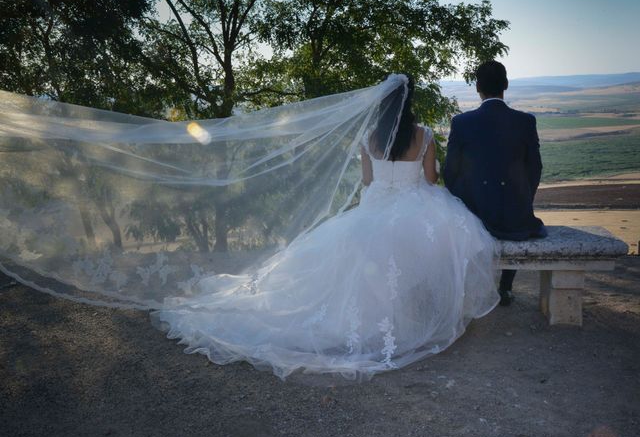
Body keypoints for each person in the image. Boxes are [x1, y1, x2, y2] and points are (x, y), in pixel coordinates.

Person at [150, 74, 500, 380]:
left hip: (375, 208)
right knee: (450, 236)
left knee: (361, 264)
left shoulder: (369, 137)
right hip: (413, 205)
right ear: (411, 101)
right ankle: (416, 315)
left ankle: (379, 320)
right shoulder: (423, 136)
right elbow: (430, 178)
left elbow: (366, 181)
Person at [443, 61, 547, 306]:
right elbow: (535, 167)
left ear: (477, 87)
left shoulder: (461, 122)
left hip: (474, 215)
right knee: (516, 220)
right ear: (506, 85)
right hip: (516, 215)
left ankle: (475, 289)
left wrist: (465, 202)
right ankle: (506, 287)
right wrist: (522, 197)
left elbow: (450, 172)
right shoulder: (526, 121)